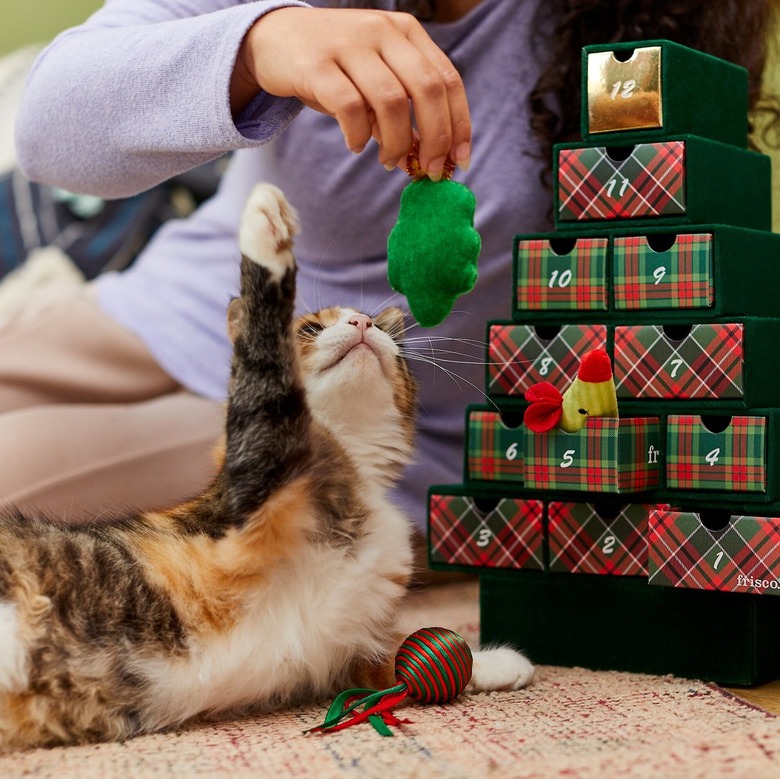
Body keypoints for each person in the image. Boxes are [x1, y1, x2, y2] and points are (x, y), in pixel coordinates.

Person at [5, 0, 779, 538]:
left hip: (367, 416)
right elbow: (50, 128)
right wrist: (264, 43)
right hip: (172, 307)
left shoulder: (653, 41)